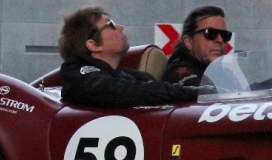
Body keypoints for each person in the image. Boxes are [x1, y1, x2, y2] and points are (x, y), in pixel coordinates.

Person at [59, 6, 199, 108]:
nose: (120, 27)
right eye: (111, 25)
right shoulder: (78, 75)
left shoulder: (128, 77)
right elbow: (114, 90)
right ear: (94, 45)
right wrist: (190, 92)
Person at [162, 5, 231, 86]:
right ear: (189, 42)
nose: (220, 40)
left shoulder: (224, 73)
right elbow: (202, 93)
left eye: (225, 34)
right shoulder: (179, 73)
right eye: (210, 33)